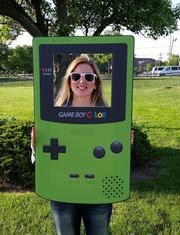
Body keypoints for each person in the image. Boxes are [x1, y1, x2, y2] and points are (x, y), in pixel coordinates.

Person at [31, 55, 134, 235]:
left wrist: (126, 147)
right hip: (62, 191)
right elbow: (48, 157)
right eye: (76, 76)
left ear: (96, 83)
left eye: (89, 77)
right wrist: (35, 150)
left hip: (98, 193)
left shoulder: (112, 118)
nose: (82, 81)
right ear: (69, 81)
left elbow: (114, 159)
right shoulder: (53, 117)